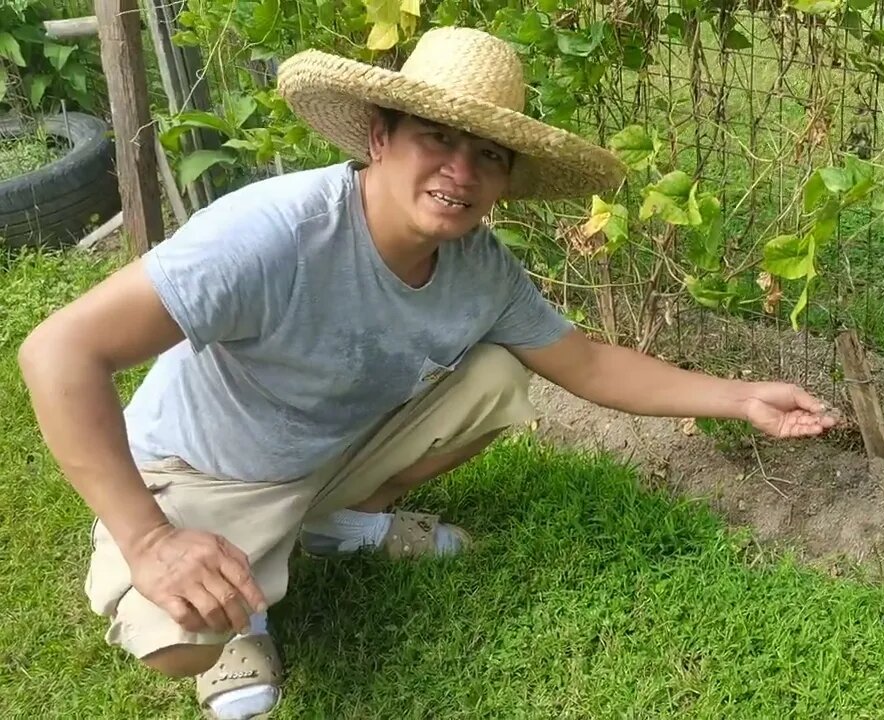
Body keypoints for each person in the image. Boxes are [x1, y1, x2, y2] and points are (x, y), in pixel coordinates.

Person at [18, 26, 835, 719]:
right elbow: (58, 351)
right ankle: (240, 614)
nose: (461, 171)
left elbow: (584, 362)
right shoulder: (270, 233)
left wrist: (740, 398)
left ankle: (330, 524)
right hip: (206, 467)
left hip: (329, 451)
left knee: (496, 376)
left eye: (488, 154)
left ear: (507, 181)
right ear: (379, 137)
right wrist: (151, 540)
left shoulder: (480, 268)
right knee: (175, 648)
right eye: (435, 138)